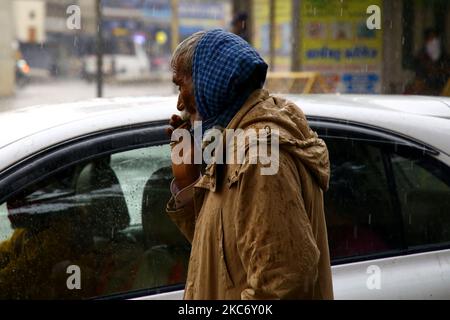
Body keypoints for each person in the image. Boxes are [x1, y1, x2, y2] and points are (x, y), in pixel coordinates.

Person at [166, 29, 333, 299]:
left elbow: (283, 282)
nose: (179, 102)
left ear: (210, 84)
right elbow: (223, 257)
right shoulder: (235, 143)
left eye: (180, 85)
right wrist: (189, 180)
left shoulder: (258, 156)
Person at [405, 28, 450, 96]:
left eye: (435, 39)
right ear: (426, 41)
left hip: (442, 95)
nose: (433, 42)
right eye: (430, 39)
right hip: (425, 95)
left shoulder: (445, 58)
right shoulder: (420, 58)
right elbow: (418, 78)